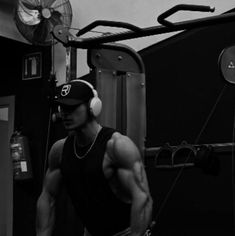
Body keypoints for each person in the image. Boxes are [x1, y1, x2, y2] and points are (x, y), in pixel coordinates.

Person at [36, 79, 153, 236]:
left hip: (126, 232)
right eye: (62, 107)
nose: (65, 113)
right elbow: (47, 197)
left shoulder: (117, 146)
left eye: (72, 107)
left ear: (93, 106)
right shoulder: (60, 150)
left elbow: (142, 198)